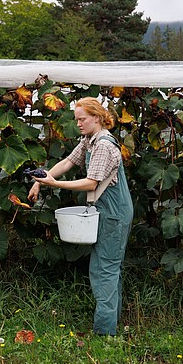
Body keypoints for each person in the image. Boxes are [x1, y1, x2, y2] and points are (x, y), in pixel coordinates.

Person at [27, 96, 133, 336]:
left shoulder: (104, 145)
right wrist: (41, 181)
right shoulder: (90, 140)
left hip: (114, 212)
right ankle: (110, 326)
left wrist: (56, 184)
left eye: (82, 119)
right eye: (77, 120)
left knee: (103, 270)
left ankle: (104, 333)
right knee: (109, 267)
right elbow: (68, 161)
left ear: (97, 117)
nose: (79, 124)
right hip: (107, 209)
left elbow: (91, 183)